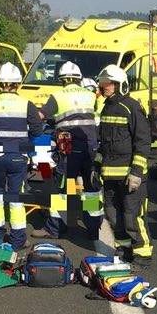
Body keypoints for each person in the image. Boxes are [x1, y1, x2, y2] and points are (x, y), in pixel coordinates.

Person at [95, 64, 152, 267]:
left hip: (130, 176)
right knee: (112, 215)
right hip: (110, 176)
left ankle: (142, 252)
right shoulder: (106, 108)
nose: (103, 87)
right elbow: (103, 143)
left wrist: (136, 172)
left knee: (132, 217)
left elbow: (143, 142)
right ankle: (124, 248)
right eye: (103, 83)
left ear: (120, 85)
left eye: (107, 84)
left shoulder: (132, 107)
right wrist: (96, 167)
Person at [0, 62, 42, 249]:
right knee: (16, 198)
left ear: (0, 83)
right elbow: (37, 130)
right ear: (17, 83)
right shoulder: (27, 105)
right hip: (18, 156)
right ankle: (17, 239)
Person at [39, 61, 102, 239]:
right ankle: (93, 229)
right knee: (90, 188)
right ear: (78, 78)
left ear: (62, 80)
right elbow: (92, 114)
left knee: (63, 187)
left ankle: (56, 228)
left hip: (67, 148)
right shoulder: (90, 95)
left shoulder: (57, 96)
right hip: (89, 147)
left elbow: (41, 116)